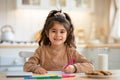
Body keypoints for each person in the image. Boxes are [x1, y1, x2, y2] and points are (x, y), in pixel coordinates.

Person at [24, 10, 94, 74]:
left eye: (62, 32)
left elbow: (90, 66)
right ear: (47, 33)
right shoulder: (41, 51)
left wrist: (74, 68)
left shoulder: (71, 51)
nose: (58, 35)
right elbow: (27, 66)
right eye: (54, 31)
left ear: (67, 34)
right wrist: (36, 68)